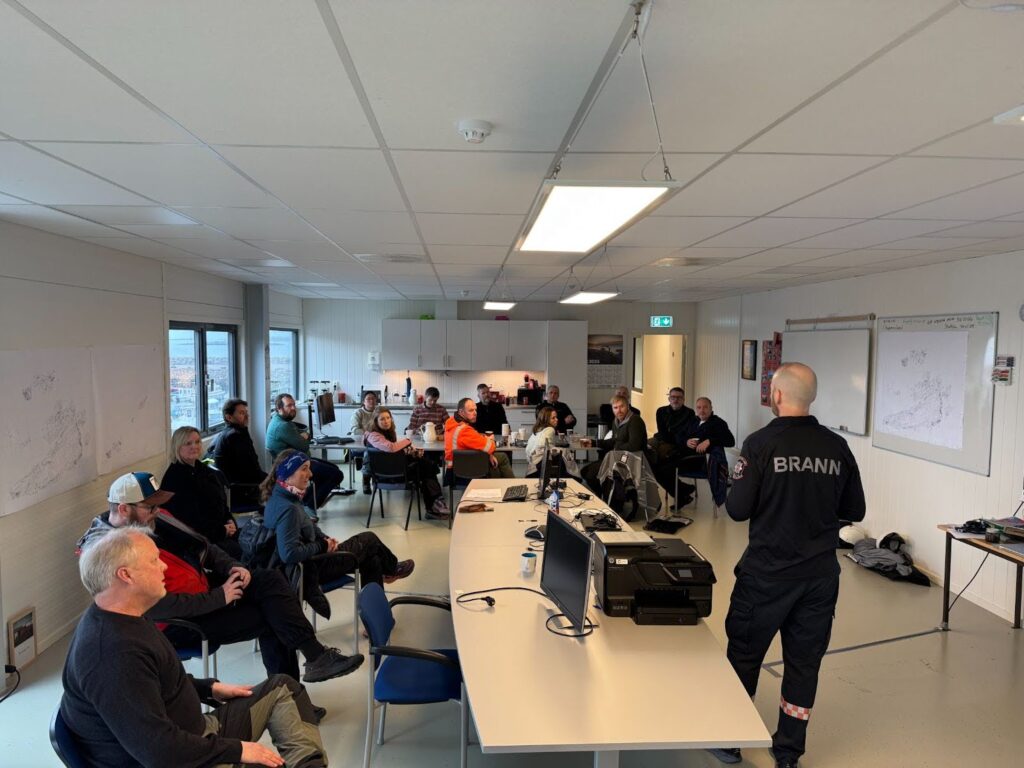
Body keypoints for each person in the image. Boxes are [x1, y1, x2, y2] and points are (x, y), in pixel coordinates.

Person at [62, 527, 328, 768]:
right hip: (180, 757)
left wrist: (206, 688)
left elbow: (153, 681)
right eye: (154, 561)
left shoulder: (126, 614)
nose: (164, 567)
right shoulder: (112, 655)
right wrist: (236, 750)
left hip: (192, 735)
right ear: (126, 575)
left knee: (283, 689)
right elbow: (159, 752)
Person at [711, 363, 865, 768]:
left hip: (765, 575)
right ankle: (788, 752)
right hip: (818, 579)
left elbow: (738, 510)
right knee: (803, 664)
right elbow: (855, 509)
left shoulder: (761, 443)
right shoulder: (837, 447)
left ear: (777, 396)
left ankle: (730, 739)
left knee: (744, 655)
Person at [77, 471, 364, 685]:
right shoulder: (111, 552)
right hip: (175, 623)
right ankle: (293, 694)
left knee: (270, 581)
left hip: (205, 589)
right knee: (274, 617)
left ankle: (314, 660)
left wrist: (232, 567)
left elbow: (205, 545)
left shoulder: (154, 517)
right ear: (124, 509)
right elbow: (154, 606)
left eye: (157, 506)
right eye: (149, 507)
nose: (156, 512)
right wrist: (219, 596)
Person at [261, 450, 415, 619]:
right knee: (370, 539)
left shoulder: (283, 495)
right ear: (288, 473)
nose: (310, 474)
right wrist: (322, 545)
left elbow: (306, 527)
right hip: (314, 567)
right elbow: (288, 554)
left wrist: (324, 538)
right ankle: (391, 569)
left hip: (315, 559)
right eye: (304, 469)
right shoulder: (288, 509)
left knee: (373, 560)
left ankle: (376, 617)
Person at [162, 425, 241, 558]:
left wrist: (229, 519)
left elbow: (220, 501)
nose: (195, 446)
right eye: (188, 443)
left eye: (197, 442)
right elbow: (190, 522)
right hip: (201, 540)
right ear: (178, 447)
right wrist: (222, 531)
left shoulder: (202, 469)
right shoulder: (175, 478)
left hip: (221, 529)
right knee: (242, 551)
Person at [365, 408, 450, 520]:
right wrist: (408, 441)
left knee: (426, 468)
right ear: (375, 421)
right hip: (386, 476)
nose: (386, 421)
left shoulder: (388, 434)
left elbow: (391, 454)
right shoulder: (373, 435)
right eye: (382, 419)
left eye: (388, 418)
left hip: (392, 470)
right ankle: (435, 505)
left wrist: (408, 452)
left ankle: (435, 505)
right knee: (427, 468)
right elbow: (390, 448)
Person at [266, 393, 344, 508]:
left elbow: (304, 436)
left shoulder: (280, 420)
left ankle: (305, 501)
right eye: (289, 406)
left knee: (334, 469)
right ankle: (308, 506)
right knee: (336, 475)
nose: (293, 408)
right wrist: (305, 437)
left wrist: (304, 436)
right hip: (292, 466)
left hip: (299, 460)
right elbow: (304, 446)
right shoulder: (283, 426)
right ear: (279, 408)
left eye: (293, 404)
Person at [206, 398, 265, 511]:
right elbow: (252, 471)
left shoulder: (227, 433)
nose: (247, 416)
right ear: (229, 417)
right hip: (241, 491)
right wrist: (271, 479)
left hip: (233, 487)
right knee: (283, 488)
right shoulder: (236, 437)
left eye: (246, 412)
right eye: (242, 413)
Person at [581, 395, 648, 494]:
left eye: (622, 407)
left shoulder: (635, 420)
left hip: (632, 460)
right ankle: (607, 497)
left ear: (628, 406)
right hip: (618, 458)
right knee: (585, 471)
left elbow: (634, 445)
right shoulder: (616, 421)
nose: (619, 410)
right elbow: (614, 440)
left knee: (591, 473)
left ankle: (613, 500)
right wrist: (595, 442)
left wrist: (616, 446)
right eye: (615, 408)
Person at [444, 397, 515, 478]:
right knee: (502, 457)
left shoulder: (452, 423)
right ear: (461, 412)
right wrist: (491, 439)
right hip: (465, 469)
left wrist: (489, 454)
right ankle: (512, 485)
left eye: (475, 410)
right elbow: (489, 447)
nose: (475, 413)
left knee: (495, 465)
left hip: (455, 468)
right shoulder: (464, 430)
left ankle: (497, 485)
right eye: (471, 410)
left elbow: (471, 440)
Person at [648, 387, 697, 500]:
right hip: (662, 440)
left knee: (658, 464)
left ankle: (679, 492)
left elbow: (685, 434)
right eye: (673, 397)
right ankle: (682, 488)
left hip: (677, 444)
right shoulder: (661, 411)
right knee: (645, 454)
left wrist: (675, 435)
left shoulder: (689, 413)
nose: (675, 400)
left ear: (683, 399)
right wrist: (674, 434)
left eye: (679, 398)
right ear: (669, 399)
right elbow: (663, 432)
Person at [525, 406, 579, 478]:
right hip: (541, 463)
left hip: (532, 463)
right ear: (546, 419)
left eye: (556, 417)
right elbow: (546, 448)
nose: (556, 420)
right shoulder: (550, 429)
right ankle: (574, 479)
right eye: (553, 418)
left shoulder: (537, 429)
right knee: (565, 457)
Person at [349, 391, 380, 494]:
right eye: (368, 399)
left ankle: (382, 479)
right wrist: (370, 435)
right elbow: (355, 430)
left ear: (376, 401)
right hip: (361, 443)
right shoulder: (358, 413)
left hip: (378, 442)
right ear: (363, 401)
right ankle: (366, 482)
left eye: (373, 399)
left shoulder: (379, 412)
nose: (371, 401)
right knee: (369, 453)